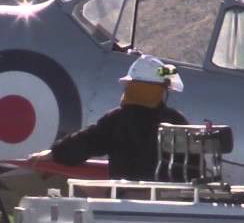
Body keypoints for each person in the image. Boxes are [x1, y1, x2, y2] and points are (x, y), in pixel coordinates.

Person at [29, 55, 187, 180]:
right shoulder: (176, 121)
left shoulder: (116, 120)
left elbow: (85, 142)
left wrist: (55, 154)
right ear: (160, 90)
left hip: (127, 204)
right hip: (171, 205)